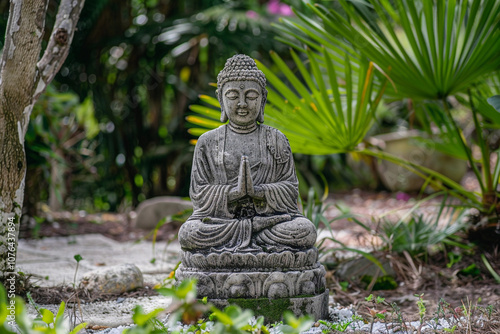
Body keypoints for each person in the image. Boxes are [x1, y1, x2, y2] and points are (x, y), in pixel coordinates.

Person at [178, 54, 316, 253]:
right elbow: (199, 194)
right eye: (233, 96)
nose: (242, 103)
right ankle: (251, 234)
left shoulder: (276, 138)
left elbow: (290, 188)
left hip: (269, 223)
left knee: (304, 231)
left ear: (263, 99)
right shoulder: (207, 142)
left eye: (251, 96)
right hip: (223, 223)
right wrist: (233, 193)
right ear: (220, 98)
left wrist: (258, 192)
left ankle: (249, 237)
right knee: (190, 233)